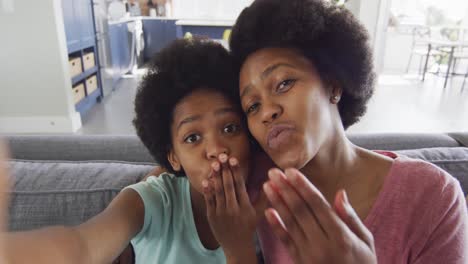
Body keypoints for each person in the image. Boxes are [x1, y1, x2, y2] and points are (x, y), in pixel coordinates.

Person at [227, 0, 468, 263]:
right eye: (252, 106)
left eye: (284, 83)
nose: (267, 112)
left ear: (334, 85)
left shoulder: (432, 197)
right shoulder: (256, 188)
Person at [0, 38, 258, 264]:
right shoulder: (155, 201)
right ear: (173, 157)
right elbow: (83, 247)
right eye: (192, 137)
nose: (215, 150)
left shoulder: (275, 199)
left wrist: (238, 247)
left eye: (230, 128)